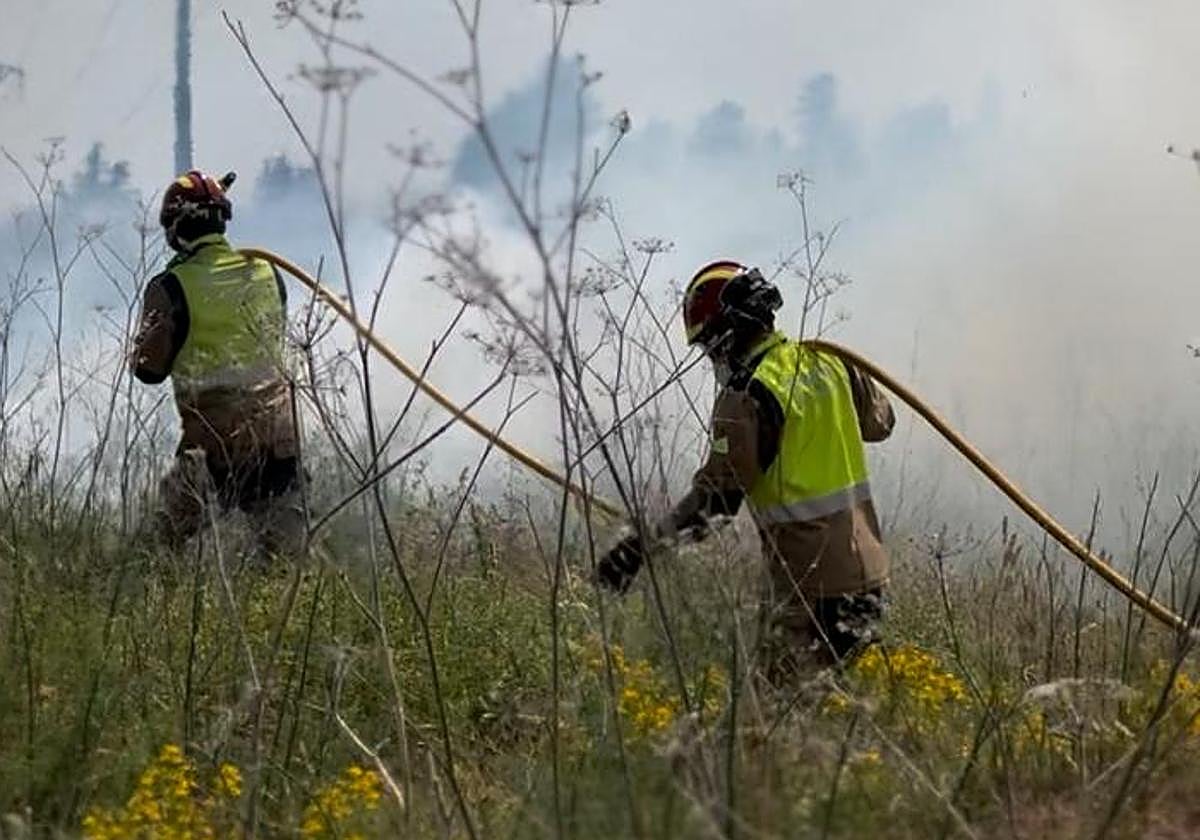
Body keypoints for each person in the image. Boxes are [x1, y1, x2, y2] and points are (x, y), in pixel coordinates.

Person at [596, 260, 894, 682]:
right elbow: (882, 424)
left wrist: (638, 551)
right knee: (838, 715)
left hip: (811, 593)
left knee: (779, 719)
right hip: (872, 578)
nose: (711, 356)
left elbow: (716, 506)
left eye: (708, 345)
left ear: (727, 332)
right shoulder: (833, 365)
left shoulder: (746, 397)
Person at [131, 169, 304, 561]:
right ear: (221, 220)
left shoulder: (170, 286)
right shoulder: (266, 272)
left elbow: (148, 370)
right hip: (278, 444)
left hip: (211, 452)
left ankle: (158, 610)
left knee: (158, 550)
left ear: (175, 229)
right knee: (286, 565)